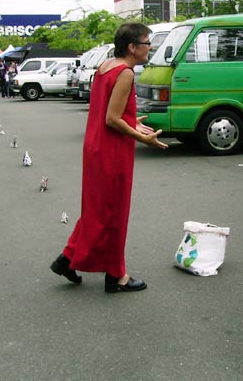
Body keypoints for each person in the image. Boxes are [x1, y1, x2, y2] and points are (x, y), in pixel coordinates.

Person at [50, 23, 168, 292]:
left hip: (96, 146)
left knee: (97, 209)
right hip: (112, 150)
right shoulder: (125, 72)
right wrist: (143, 138)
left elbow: (110, 109)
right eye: (147, 42)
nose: (150, 47)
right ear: (132, 47)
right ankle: (116, 275)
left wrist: (132, 120)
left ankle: (67, 259)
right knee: (114, 212)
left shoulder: (106, 66)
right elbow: (112, 118)